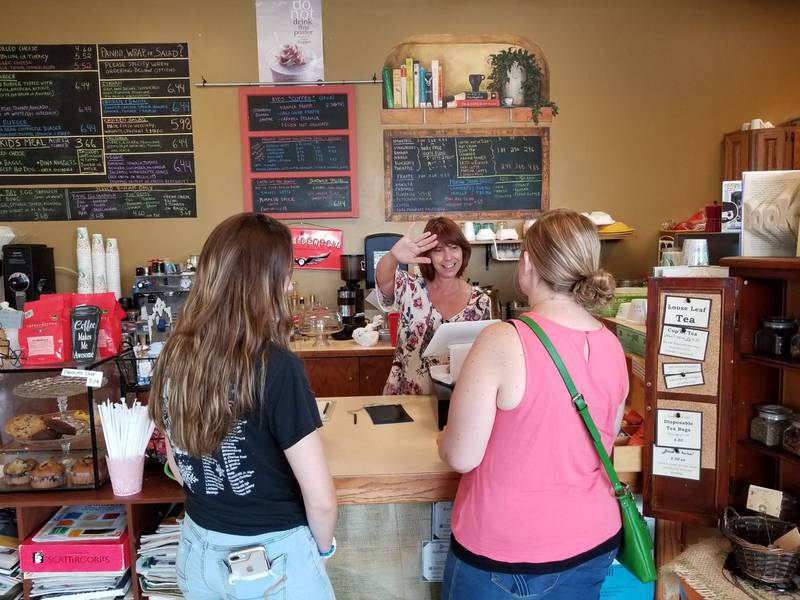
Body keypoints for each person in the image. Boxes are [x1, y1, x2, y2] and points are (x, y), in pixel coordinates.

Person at [437, 209, 628, 600]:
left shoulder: (502, 339)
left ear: (526, 263)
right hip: (594, 544)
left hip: (506, 554)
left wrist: (443, 437)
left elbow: (461, 455)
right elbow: (606, 440)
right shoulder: (612, 343)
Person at [149, 213, 337, 600]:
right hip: (271, 563)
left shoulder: (174, 355)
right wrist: (321, 551)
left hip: (197, 553)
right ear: (260, 282)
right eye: (284, 273)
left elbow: (180, 468)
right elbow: (320, 501)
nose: (289, 284)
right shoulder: (278, 366)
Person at [375, 217, 491, 395]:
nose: (448, 257)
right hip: (405, 398)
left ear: (463, 251)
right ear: (427, 254)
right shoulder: (410, 288)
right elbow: (383, 279)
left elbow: (483, 358)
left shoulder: (480, 303)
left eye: (454, 247)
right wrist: (393, 257)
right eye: (438, 250)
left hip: (457, 401)